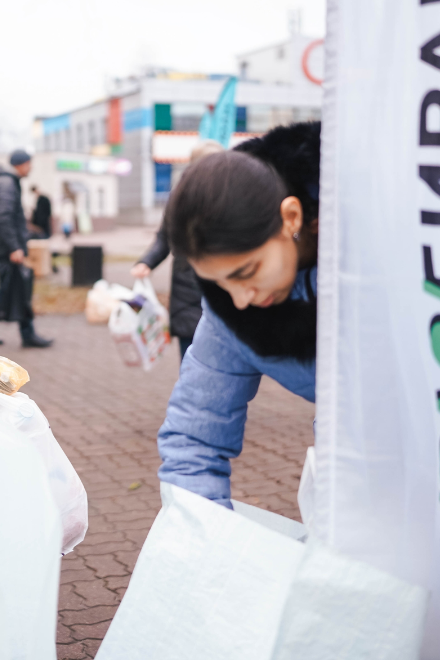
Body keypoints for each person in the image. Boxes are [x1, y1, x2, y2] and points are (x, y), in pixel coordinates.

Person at [156, 121, 320, 508]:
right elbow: (193, 441)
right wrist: (204, 547)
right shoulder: (229, 311)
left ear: (291, 218)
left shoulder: (391, 248)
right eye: (220, 282)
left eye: (247, 272)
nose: (241, 301)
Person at [131, 140, 224, 359]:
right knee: (191, 361)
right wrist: (147, 262)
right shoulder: (179, 198)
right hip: (188, 291)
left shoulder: (232, 198)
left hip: (224, 291)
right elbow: (164, 237)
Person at [0, 150, 53, 348]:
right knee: (18, 288)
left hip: (4, 247)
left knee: (10, 288)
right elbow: (3, 217)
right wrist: (14, 247)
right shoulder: (7, 184)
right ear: (21, 164)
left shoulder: (1, 182)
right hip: (8, 249)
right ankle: (27, 334)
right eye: (29, 164)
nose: (31, 168)